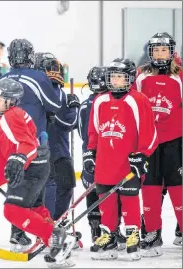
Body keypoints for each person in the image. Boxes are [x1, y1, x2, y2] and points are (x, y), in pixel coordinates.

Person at [0, 78, 76, 268]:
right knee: (35, 209)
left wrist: (19, 159)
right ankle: (55, 243)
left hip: (31, 169)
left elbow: (27, 144)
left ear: (10, 100)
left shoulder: (11, 117)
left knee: (13, 210)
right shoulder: (7, 117)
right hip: (37, 166)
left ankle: (56, 237)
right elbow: (7, 145)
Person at [84, 58, 158, 260]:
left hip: (128, 163)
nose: (115, 81)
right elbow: (94, 131)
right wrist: (90, 153)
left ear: (130, 78)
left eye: (120, 77)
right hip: (105, 162)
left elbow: (149, 132)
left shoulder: (138, 100)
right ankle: (108, 234)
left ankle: (132, 233)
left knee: (129, 199)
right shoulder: (100, 101)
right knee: (105, 199)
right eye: (112, 77)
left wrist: (142, 154)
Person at [0, 39, 62, 250]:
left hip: (11, 142)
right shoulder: (37, 77)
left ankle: (17, 233)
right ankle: (46, 232)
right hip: (34, 144)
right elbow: (54, 105)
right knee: (35, 190)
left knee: (15, 184)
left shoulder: (4, 78)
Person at [132, 32, 182, 256]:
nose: (159, 54)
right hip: (149, 142)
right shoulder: (140, 75)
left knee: (178, 188)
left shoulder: (180, 75)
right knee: (150, 187)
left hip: (175, 142)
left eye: (164, 49)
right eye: (156, 50)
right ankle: (152, 233)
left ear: (171, 52)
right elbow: (131, 105)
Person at [78, 66, 127, 250]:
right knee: (99, 191)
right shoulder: (92, 105)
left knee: (108, 192)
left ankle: (108, 230)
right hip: (96, 154)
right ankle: (99, 230)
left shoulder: (108, 101)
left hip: (104, 154)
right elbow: (87, 134)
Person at [33, 52, 79, 222]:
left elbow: (70, 123)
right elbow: (68, 122)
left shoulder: (57, 93)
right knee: (52, 188)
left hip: (57, 151)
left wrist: (72, 106)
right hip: (50, 151)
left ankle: (57, 220)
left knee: (65, 185)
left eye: (54, 69)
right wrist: (75, 107)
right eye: (49, 69)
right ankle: (50, 221)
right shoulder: (54, 94)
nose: (53, 73)